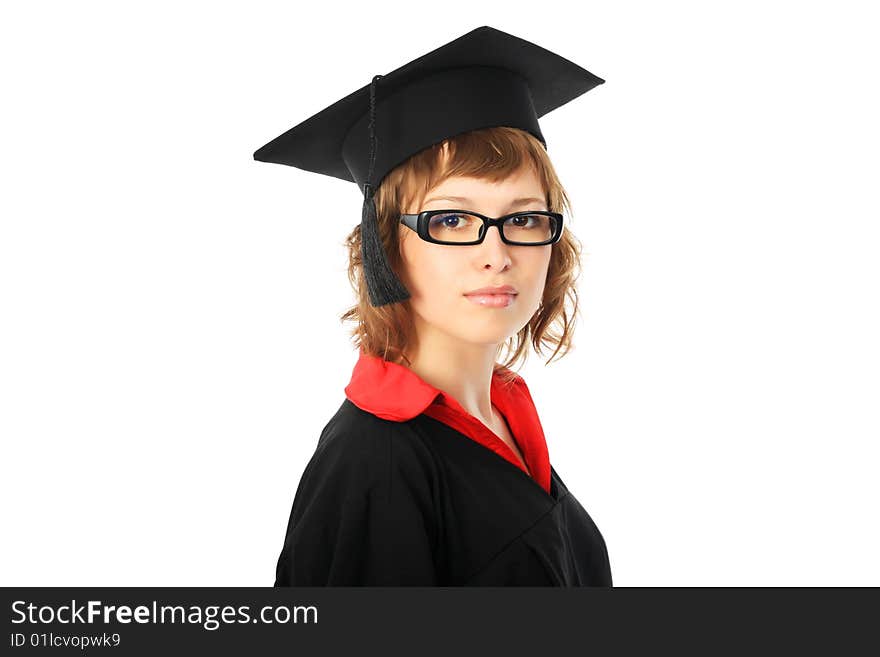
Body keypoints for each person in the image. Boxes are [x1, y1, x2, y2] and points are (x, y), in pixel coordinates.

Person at [253, 26, 612, 585]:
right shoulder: (376, 461)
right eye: (450, 219)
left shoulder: (501, 413)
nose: (496, 254)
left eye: (521, 218)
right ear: (383, 247)